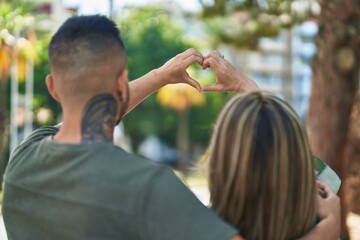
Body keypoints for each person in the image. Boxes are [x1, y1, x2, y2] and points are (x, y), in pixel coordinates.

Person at [2, 15, 338, 240]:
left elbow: (81, 119)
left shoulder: (23, 160)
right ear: (122, 82)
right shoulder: (149, 189)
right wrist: (329, 229)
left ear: (52, 87)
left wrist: (161, 75)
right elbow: (292, 158)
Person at [201, 51, 341, 239]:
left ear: (219, 162)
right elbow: (288, 152)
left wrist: (157, 76)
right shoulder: (321, 221)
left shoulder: (199, 228)